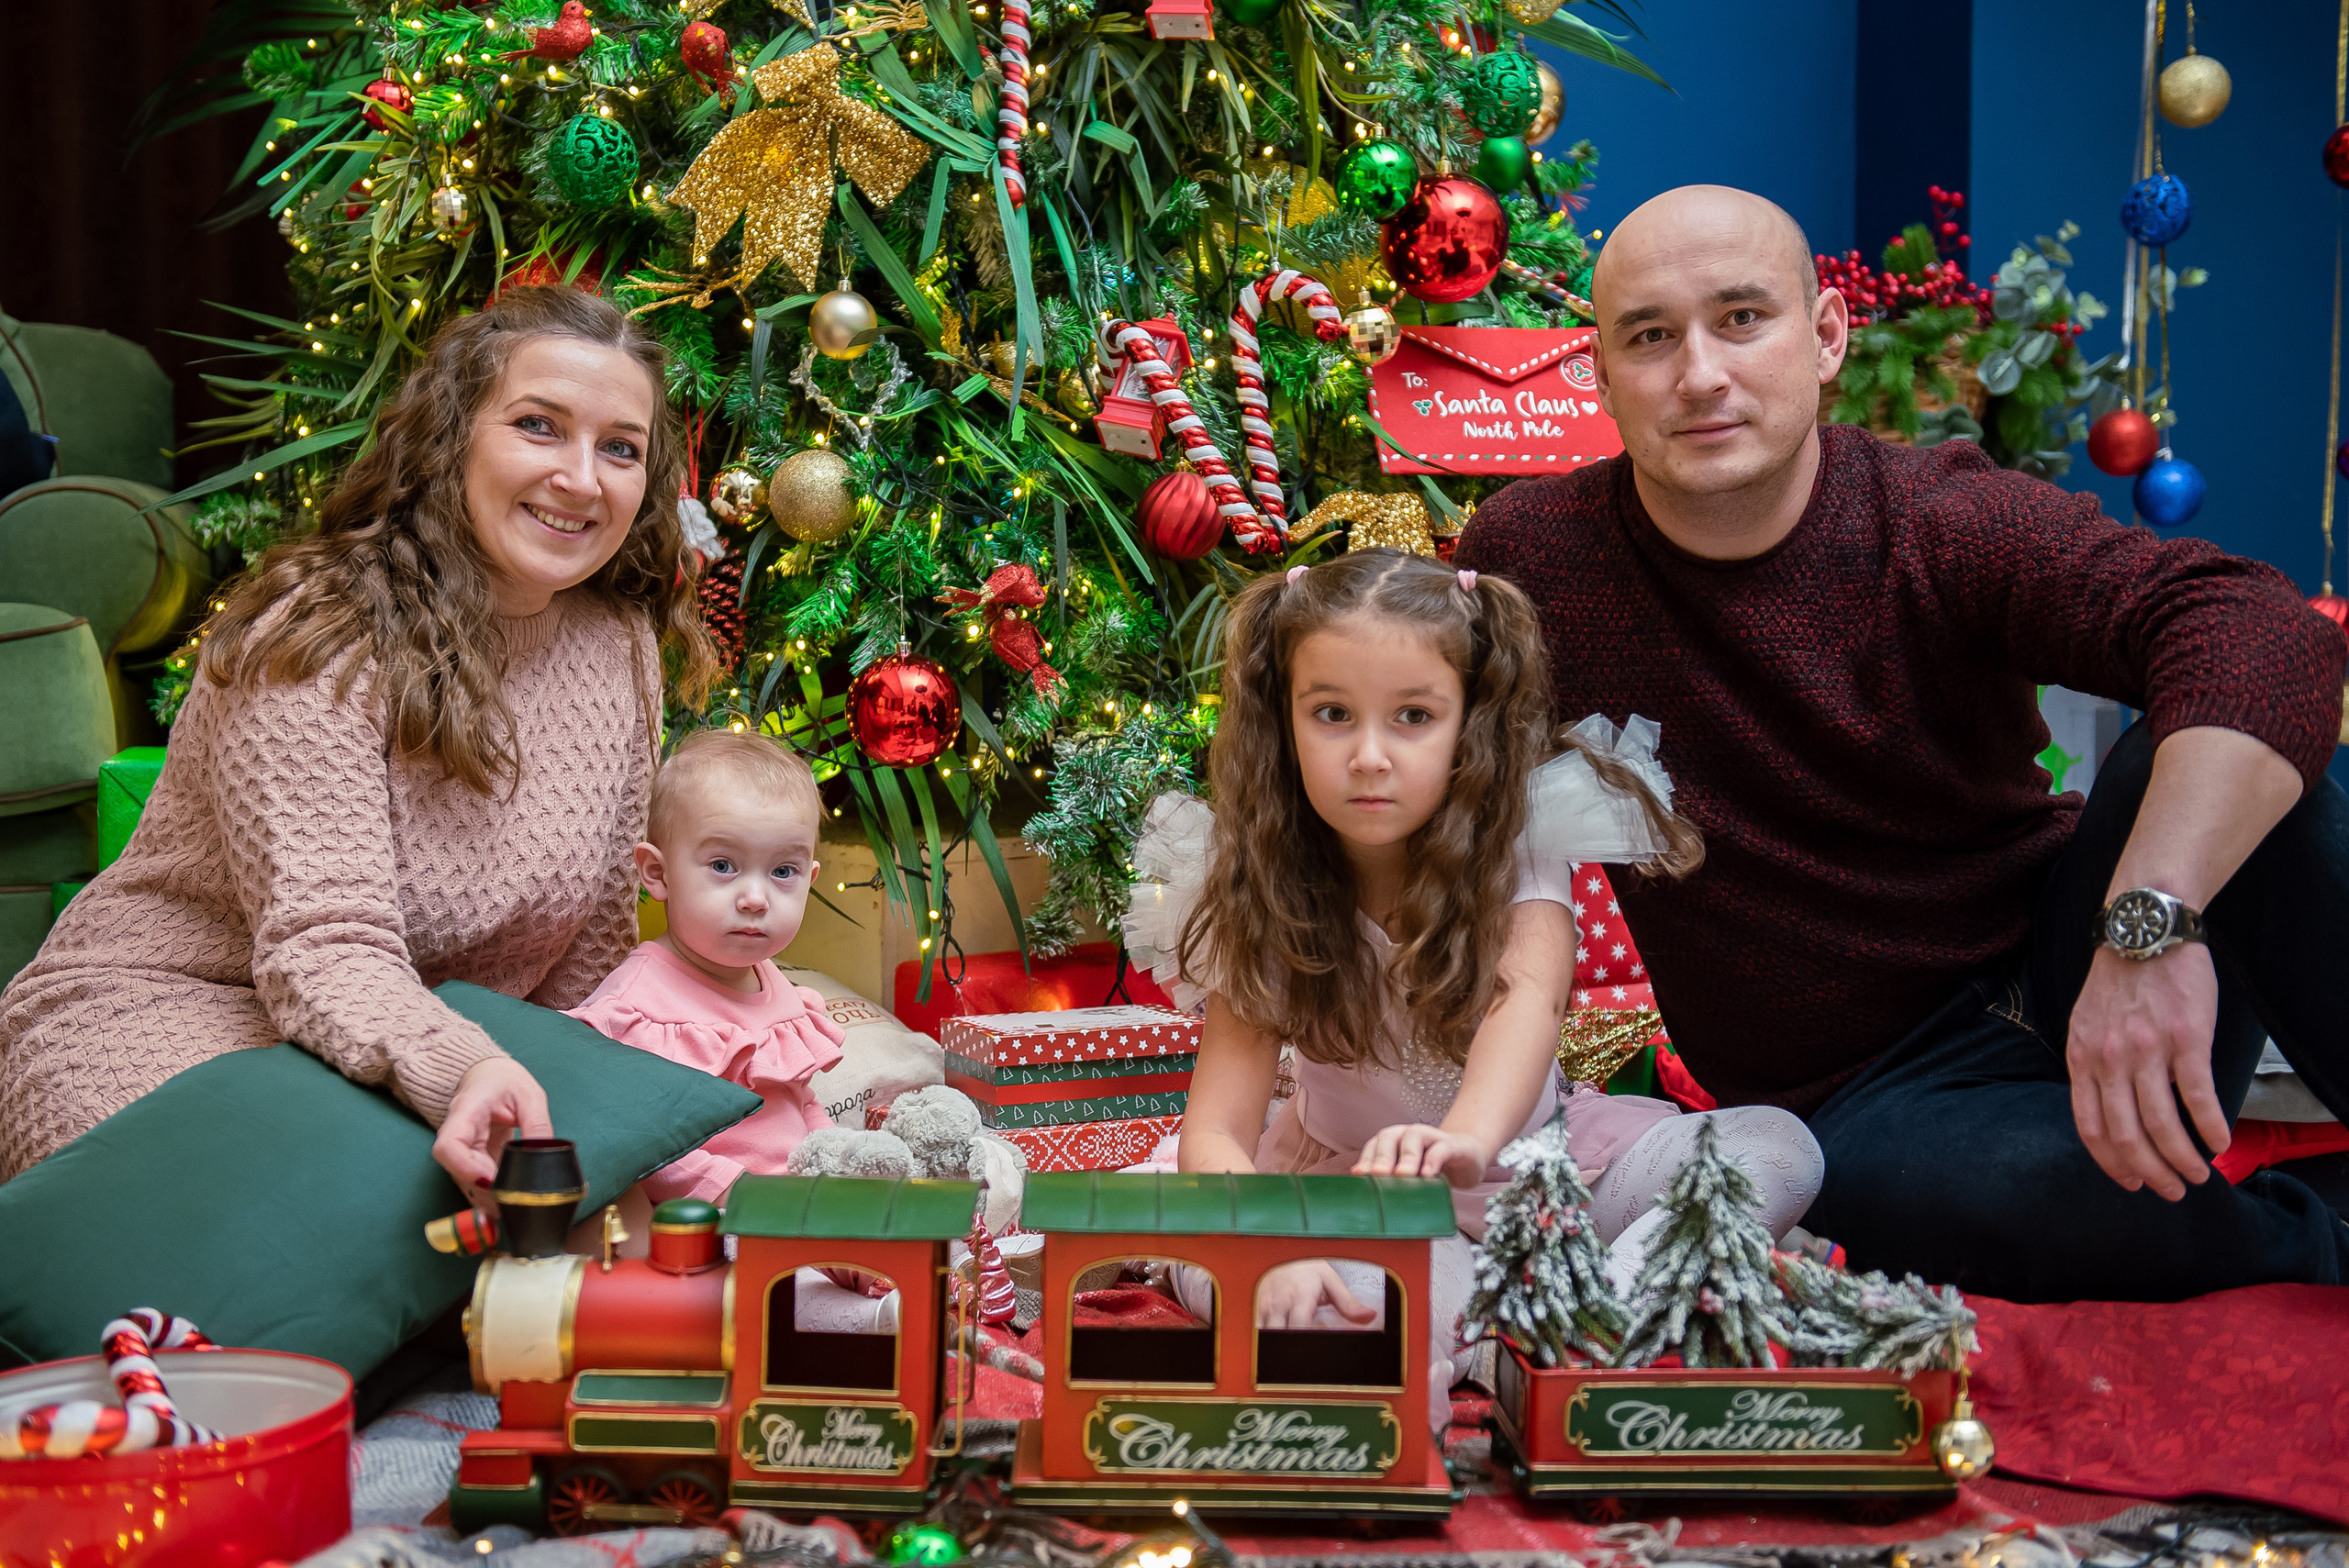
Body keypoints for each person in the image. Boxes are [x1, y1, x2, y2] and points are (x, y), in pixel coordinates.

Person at [1453, 183, 2349, 1303]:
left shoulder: (1937, 519)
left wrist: (2146, 923)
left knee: (2259, 766)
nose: (1699, 374)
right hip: (1866, 1099)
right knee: (1951, 1198)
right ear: (1599, 373)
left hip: (2075, 954)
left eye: (1741, 318)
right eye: (1648, 336)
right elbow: (1421, 779)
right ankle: (2314, 1240)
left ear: (1825, 335)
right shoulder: (1531, 558)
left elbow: (2257, 626)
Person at [0, 286, 718, 1203]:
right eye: (539, 426)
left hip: (422, 1054)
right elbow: (324, 947)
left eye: (619, 447)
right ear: (453, 436)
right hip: (185, 1025)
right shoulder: (319, 637)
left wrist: (585, 1099)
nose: (583, 478)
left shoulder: (616, 643)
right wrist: (459, 1068)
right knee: (380, 1212)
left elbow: (588, 958)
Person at [1124, 550, 1826, 1427]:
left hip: (1551, 1179)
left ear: (1469, 722)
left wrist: (1463, 1141)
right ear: (1284, 719)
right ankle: (1458, 1340)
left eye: (1413, 716)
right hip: (1369, 1209)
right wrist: (1271, 1250)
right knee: (1310, 1314)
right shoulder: (1259, 879)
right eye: (1332, 714)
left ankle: (1587, 1314)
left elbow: (1522, 1001)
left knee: (1778, 1148)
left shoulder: (1515, 844)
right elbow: (1219, 1127)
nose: (1370, 756)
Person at [566, 728, 845, 1204]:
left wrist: (837, 1162)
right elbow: (643, 1144)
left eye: (783, 872)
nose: (756, 899)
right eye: (723, 865)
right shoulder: (638, 1005)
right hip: (712, 1221)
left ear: (810, 878)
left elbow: (799, 1102)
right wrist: (750, 1200)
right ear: (658, 873)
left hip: (799, 1210)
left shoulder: (774, 982)